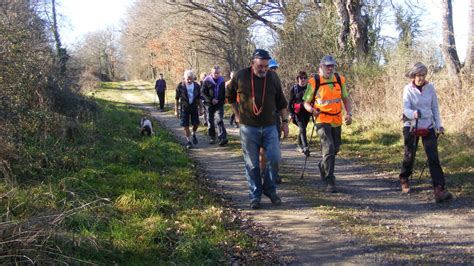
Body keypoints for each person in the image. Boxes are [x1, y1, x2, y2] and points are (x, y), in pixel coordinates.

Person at [227, 49, 289, 209]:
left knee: (274, 158)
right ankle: (255, 195)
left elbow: (282, 102)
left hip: (270, 126)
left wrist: (285, 122)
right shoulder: (241, 76)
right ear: (252, 63)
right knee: (252, 164)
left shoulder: (273, 77)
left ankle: (269, 188)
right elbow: (230, 96)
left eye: (266, 66)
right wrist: (237, 114)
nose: (264, 69)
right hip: (249, 127)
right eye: (261, 66)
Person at [398, 62, 452, 203]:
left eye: (423, 75)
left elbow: (435, 108)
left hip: (428, 125)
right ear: (413, 76)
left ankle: (439, 188)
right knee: (410, 155)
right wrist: (414, 113)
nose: (421, 78)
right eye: (418, 75)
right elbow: (406, 109)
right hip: (411, 125)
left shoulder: (430, 88)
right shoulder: (407, 89)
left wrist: (439, 125)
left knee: (433, 157)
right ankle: (404, 177)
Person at [303, 55, 352, 193]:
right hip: (321, 120)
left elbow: (346, 98)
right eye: (327, 66)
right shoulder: (314, 82)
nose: (330, 68)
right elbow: (305, 102)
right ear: (321, 67)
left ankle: (323, 165)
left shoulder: (339, 80)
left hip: (336, 120)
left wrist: (349, 114)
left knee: (335, 149)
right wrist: (312, 110)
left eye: (332, 66)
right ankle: (330, 180)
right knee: (329, 147)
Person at [175, 70, 203, 149]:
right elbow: (176, 99)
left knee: (196, 124)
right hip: (184, 108)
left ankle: (193, 133)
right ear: (184, 78)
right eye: (188, 79)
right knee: (185, 125)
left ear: (194, 78)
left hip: (194, 107)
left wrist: (201, 108)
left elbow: (198, 98)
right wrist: (176, 110)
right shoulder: (180, 86)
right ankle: (188, 141)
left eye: (191, 79)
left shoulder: (197, 86)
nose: (189, 80)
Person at [201, 66, 228, 146]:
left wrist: (221, 100)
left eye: (218, 73)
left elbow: (223, 93)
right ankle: (212, 137)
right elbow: (203, 92)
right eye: (215, 73)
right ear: (211, 73)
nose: (216, 75)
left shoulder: (222, 80)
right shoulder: (207, 80)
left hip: (219, 103)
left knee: (219, 119)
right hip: (209, 104)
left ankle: (222, 137)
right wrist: (211, 99)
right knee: (210, 120)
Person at [288, 71, 311, 156]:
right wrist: (290, 113)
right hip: (297, 113)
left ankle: (299, 145)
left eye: (305, 78)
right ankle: (305, 147)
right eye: (301, 78)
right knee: (302, 128)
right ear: (298, 79)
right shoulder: (294, 89)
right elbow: (290, 102)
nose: (303, 79)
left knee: (303, 128)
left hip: (307, 113)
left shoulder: (309, 88)